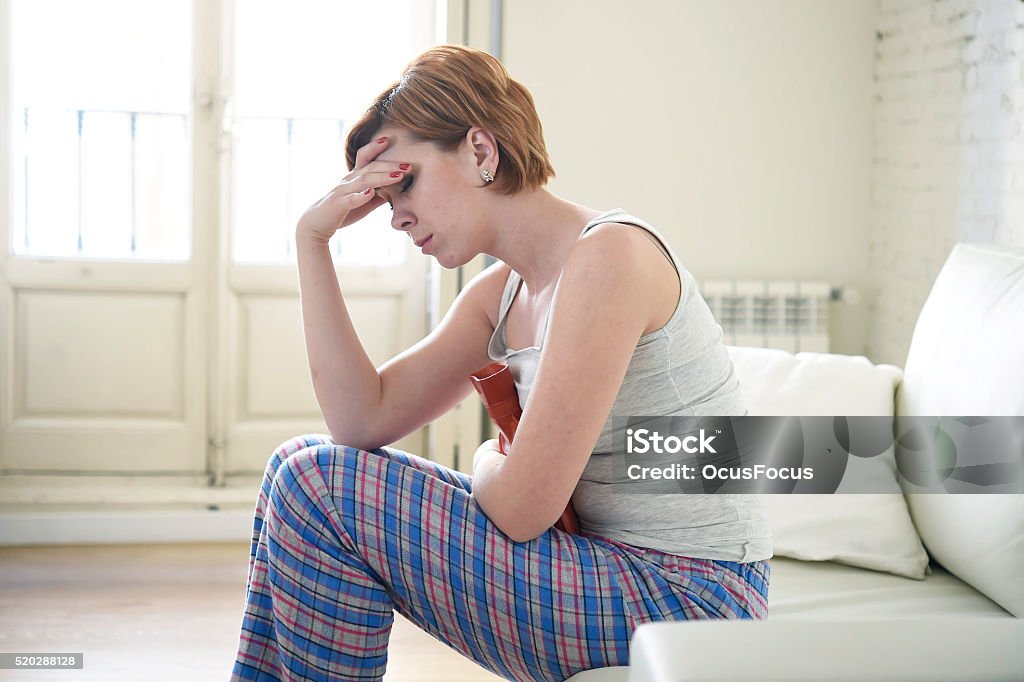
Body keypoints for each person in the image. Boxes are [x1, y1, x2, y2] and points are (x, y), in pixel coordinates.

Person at [231, 44, 771, 682]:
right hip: (605, 567)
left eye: (403, 182)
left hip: (690, 598)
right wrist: (312, 240)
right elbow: (359, 420)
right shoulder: (501, 295)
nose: (395, 216)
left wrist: (491, 457)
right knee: (294, 464)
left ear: (481, 152)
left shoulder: (612, 257)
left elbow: (521, 509)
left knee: (318, 483)